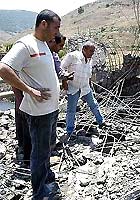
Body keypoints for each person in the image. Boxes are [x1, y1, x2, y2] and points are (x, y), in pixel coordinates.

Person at [0, 9, 61, 200]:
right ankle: (40, 192)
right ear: (43, 24)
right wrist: (29, 90)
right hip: (39, 111)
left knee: (47, 148)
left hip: (51, 108)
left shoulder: (43, 44)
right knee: (39, 152)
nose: (57, 33)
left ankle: (46, 176)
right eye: (55, 27)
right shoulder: (26, 45)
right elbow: (3, 68)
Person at [60, 41, 105, 138]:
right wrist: (64, 82)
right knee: (71, 110)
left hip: (85, 87)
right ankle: (69, 130)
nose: (92, 53)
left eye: (93, 51)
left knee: (93, 104)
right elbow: (61, 68)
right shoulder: (73, 56)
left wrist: (90, 87)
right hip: (73, 87)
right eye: (90, 51)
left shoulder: (90, 60)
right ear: (84, 49)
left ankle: (101, 122)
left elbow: (88, 75)